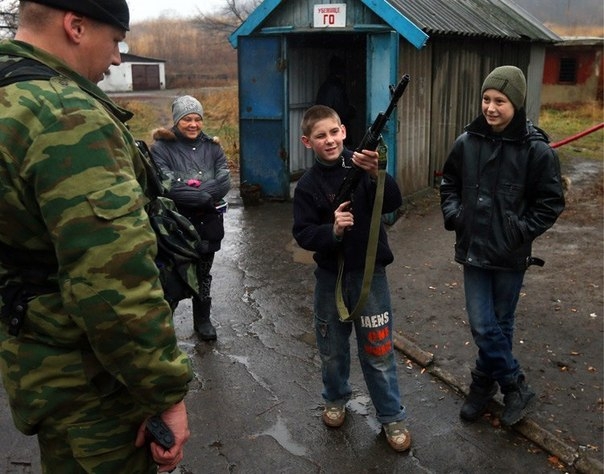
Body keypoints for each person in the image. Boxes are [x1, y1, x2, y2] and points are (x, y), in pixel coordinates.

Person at [0, 1, 193, 472]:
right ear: (76, 26)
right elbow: (113, 281)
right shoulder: (66, 115)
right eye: (115, 42)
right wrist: (165, 393)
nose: (117, 60)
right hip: (92, 387)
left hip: (36, 360)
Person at [439, 65, 565, 426]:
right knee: (483, 324)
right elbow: (449, 181)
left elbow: (550, 203)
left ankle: (482, 385)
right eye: (486, 99)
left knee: (501, 324)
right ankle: (514, 386)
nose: (490, 107)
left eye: (500, 101)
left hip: (509, 254)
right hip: (475, 250)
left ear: (517, 103)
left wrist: (518, 231)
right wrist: (456, 215)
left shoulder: (536, 151)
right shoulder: (467, 142)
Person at [292, 105, 410, 452]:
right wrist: (332, 231)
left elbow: (393, 202)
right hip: (330, 279)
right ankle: (335, 398)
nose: (328, 141)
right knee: (332, 349)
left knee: (378, 350)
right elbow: (303, 233)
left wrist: (377, 174)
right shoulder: (308, 186)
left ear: (343, 131)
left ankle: (392, 416)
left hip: (370, 275)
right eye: (320, 136)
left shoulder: (362, 166)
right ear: (306, 142)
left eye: (333, 132)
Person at [151, 95, 231, 341]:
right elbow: (166, 186)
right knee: (171, 273)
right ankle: (165, 327)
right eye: (187, 119)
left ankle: (203, 320)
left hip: (208, 222)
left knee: (204, 272)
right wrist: (204, 195)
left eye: (197, 119)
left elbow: (224, 181)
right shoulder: (161, 148)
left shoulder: (213, 147)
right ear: (177, 121)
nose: (193, 124)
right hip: (174, 224)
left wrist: (193, 191)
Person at [316, 55, 356, 146]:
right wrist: (351, 111)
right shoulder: (337, 87)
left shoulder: (325, 86)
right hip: (335, 127)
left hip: (323, 127)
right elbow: (341, 110)